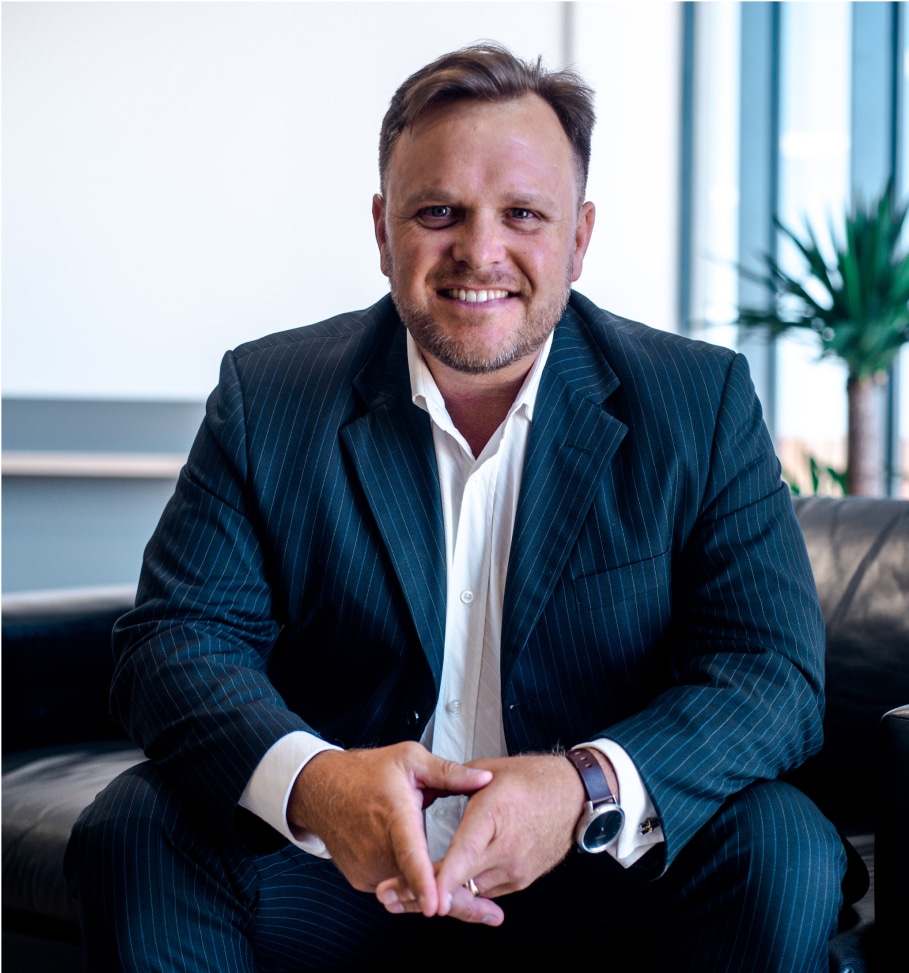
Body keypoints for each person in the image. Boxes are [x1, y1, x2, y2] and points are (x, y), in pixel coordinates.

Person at [66, 43, 848, 971]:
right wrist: (316, 782)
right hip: (341, 873)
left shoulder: (696, 402)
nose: (479, 251)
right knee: (138, 826)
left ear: (578, 237)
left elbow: (770, 671)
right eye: (438, 212)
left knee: (780, 843)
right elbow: (175, 639)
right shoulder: (267, 396)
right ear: (382, 229)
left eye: (522, 214)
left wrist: (584, 786)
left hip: (600, 871)